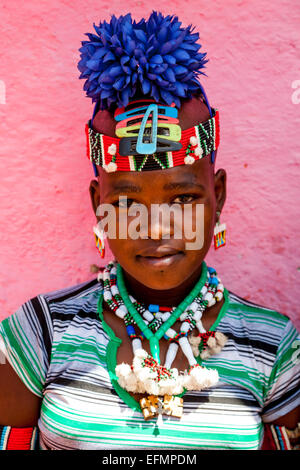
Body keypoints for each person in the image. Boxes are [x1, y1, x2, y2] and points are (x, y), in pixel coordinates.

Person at [0, 11, 299, 451]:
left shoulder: (273, 348)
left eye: (183, 199)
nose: (157, 227)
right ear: (97, 206)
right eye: (125, 203)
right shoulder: (43, 333)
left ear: (218, 196)